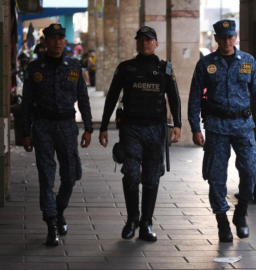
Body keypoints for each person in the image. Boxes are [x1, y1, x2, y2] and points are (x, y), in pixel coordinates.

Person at [188, 19, 256, 242]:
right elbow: (195, 97)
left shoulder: (248, 61)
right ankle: (222, 222)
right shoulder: (205, 64)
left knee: (252, 168)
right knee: (216, 177)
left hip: (244, 126)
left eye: (231, 36)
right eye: (223, 37)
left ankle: (241, 211)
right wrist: (195, 128)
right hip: (216, 127)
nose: (227, 40)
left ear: (235, 37)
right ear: (216, 38)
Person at [98, 26, 181, 241]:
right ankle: (132, 219)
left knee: (152, 177)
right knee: (132, 173)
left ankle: (146, 223)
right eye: (141, 39)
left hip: (156, 129)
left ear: (156, 43)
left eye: (149, 40)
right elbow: (112, 96)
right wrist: (103, 126)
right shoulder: (126, 68)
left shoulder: (165, 69)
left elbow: (174, 98)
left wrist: (178, 124)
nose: (144, 43)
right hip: (131, 129)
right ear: (136, 43)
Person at [21, 23, 93, 246]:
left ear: (65, 41)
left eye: (60, 37)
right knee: (46, 175)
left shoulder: (74, 66)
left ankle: (59, 209)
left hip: (66, 125)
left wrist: (89, 128)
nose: (57, 41)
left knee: (71, 175)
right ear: (45, 41)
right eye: (52, 37)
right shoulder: (34, 68)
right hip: (42, 126)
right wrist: (25, 132)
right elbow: (26, 105)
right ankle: (51, 223)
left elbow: (83, 98)